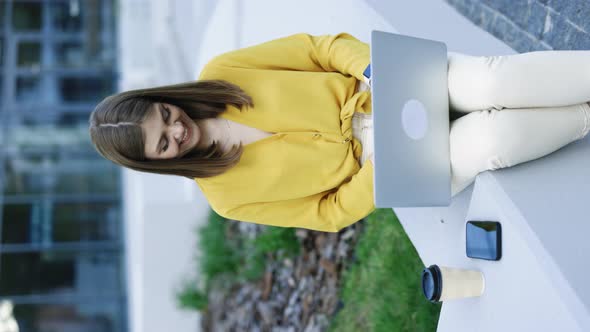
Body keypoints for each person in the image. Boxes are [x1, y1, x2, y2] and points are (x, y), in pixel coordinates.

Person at [89, 32, 590, 233]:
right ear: (156, 163)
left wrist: (373, 70)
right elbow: (327, 214)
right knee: (489, 140)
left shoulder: (221, 70)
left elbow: (318, 48)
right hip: (385, 168)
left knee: (490, 80)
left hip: (387, 86)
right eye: (163, 143)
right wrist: (379, 170)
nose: (176, 130)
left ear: (164, 97)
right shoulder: (227, 199)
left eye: (166, 115)